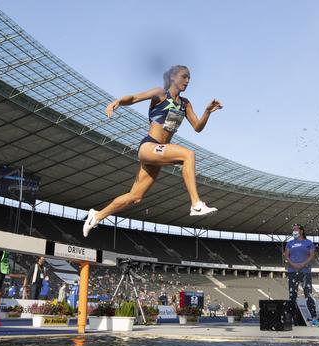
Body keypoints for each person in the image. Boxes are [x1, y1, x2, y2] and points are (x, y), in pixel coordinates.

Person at [83, 65, 222, 237]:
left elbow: (197, 127)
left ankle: (96, 216)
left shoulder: (185, 104)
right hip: (149, 147)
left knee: (135, 196)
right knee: (188, 155)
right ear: (172, 77)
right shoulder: (160, 94)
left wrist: (207, 112)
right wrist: (117, 101)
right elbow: (134, 98)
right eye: (184, 76)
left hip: (160, 153)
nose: (187, 81)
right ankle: (196, 204)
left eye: (189, 78)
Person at [284, 224, 317, 323]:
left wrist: (303, 264)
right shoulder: (289, 243)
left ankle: (314, 317)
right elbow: (286, 256)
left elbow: (312, 256)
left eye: (296, 229)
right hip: (292, 271)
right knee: (292, 295)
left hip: (305, 271)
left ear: (301, 231)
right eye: (293, 230)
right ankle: (291, 318)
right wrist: (293, 264)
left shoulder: (308, 243)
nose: (294, 231)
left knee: (308, 294)